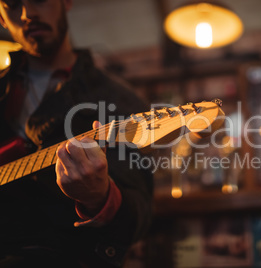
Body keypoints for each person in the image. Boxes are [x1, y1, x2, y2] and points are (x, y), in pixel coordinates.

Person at [0, 0, 153, 267]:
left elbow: (139, 216)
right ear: (1, 17)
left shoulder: (119, 101)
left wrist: (100, 197)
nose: (27, 13)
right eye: (12, 4)